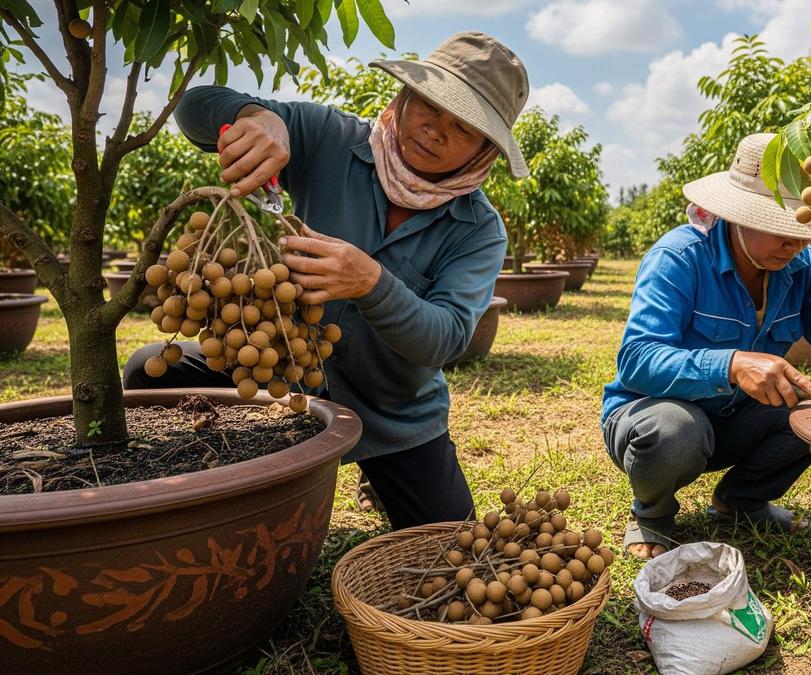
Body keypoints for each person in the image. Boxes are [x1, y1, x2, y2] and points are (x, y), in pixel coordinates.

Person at [123, 32, 530, 530]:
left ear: (484, 150)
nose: (435, 130)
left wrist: (371, 283)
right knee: (150, 369)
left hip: (395, 415)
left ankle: (376, 477)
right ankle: (199, 481)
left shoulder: (480, 230)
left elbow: (444, 340)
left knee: (448, 541)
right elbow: (195, 106)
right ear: (405, 97)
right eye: (430, 105)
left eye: (463, 128)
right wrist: (258, 118)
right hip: (281, 372)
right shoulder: (331, 138)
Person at [602, 133, 811, 559]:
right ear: (738, 216)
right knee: (675, 429)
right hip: (652, 417)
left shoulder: (801, 265)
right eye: (780, 228)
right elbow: (637, 360)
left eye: (802, 231)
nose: (795, 243)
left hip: (733, 418)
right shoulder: (679, 257)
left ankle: (740, 501)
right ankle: (652, 515)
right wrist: (733, 365)